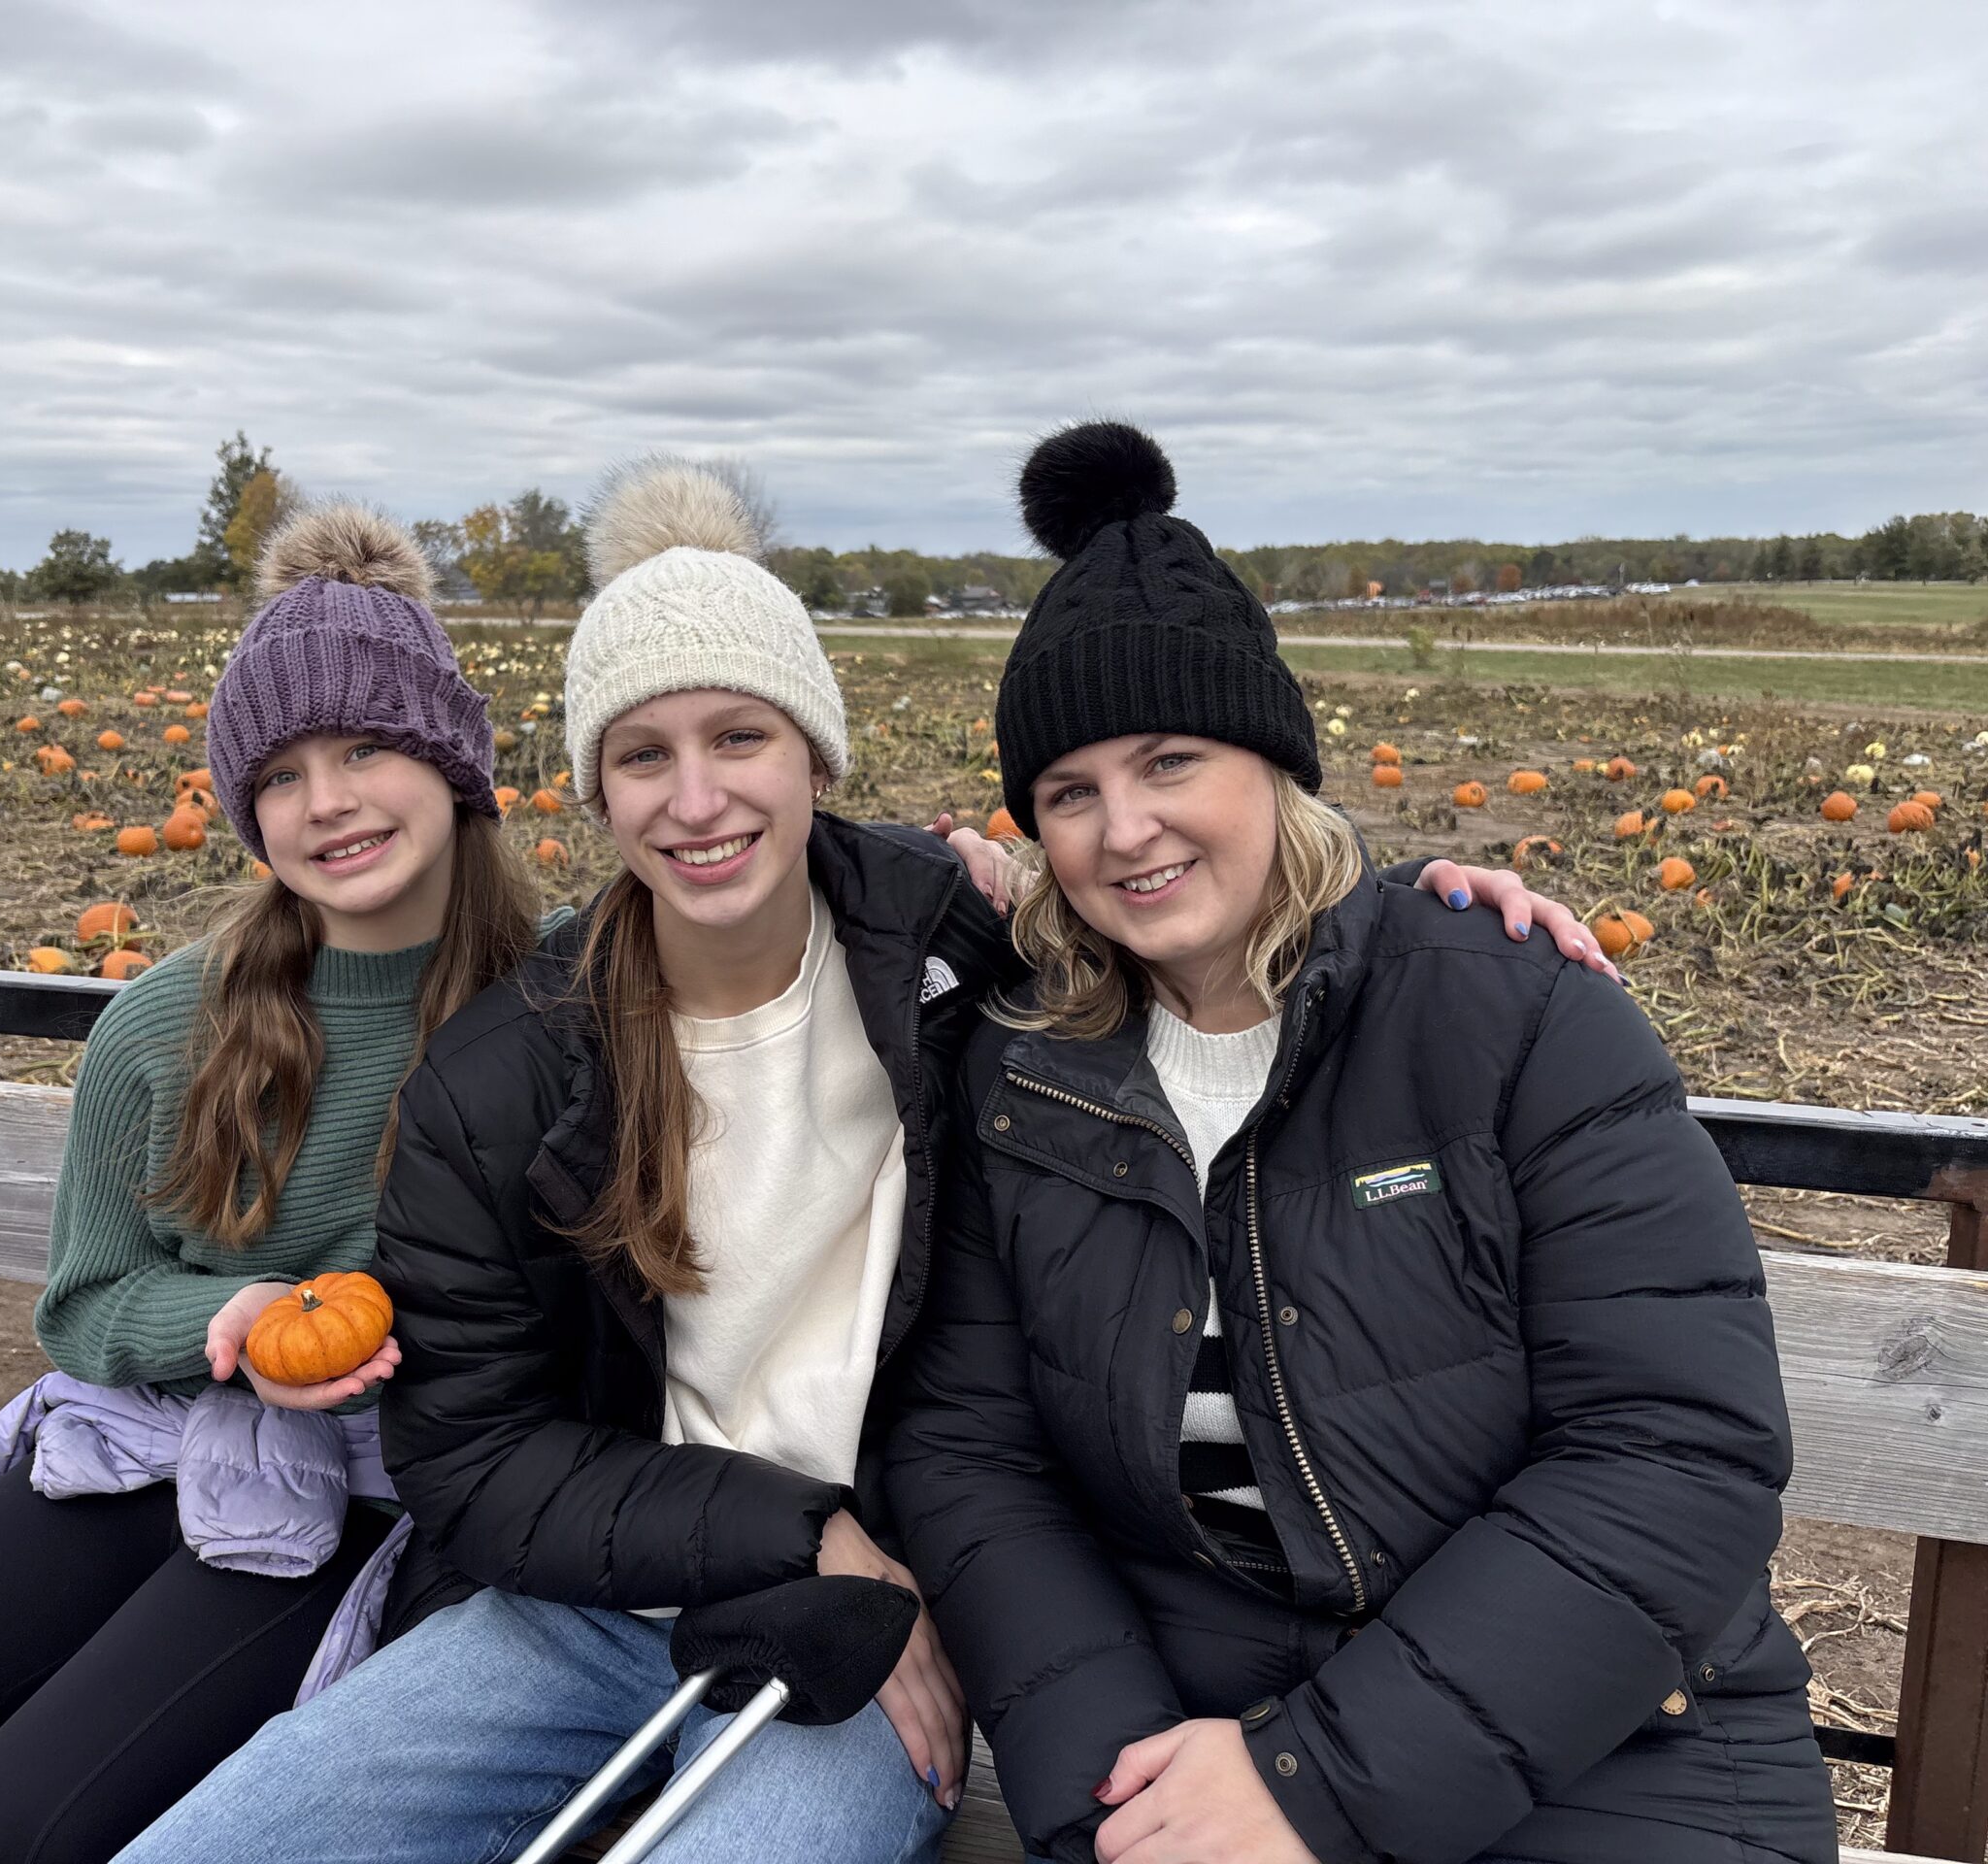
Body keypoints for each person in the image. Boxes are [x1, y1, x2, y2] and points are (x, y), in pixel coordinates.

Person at [116, 460, 1596, 1864]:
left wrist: (1418, 907)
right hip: (592, 1602)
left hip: (891, 1624)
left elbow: (1201, 904)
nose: (697, 802)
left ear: (814, 750)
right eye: (645, 755)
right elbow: (473, 1455)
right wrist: (803, 1532)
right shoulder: (506, 1073)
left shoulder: (964, 958)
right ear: (595, 787)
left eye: (740, 737)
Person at [884, 421, 1835, 1864]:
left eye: (1171, 761)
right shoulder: (1026, 1075)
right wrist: (1116, 1802)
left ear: (1273, 766)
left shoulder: (1506, 1009)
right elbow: (973, 1460)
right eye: (1069, 793)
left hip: (1615, 1740)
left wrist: (1315, 1786)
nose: (1124, 828)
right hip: (1184, 1740)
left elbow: (1673, 1452)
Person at [0, 507, 535, 1864]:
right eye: (281, 773)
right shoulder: (165, 1026)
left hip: (388, 1489)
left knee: (17, 1837)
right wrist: (223, 1320)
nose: (328, 800)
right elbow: (88, 1302)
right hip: (133, 1438)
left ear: (456, 761)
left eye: (369, 747)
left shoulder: (557, 1009)